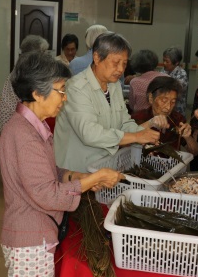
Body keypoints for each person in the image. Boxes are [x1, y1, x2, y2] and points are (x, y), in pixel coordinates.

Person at [0, 51, 125, 277]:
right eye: (61, 90)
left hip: (33, 236)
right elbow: (47, 195)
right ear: (37, 93)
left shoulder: (29, 126)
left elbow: (43, 172)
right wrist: (94, 179)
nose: (64, 98)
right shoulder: (24, 135)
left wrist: (74, 177)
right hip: (31, 242)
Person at [54, 33, 165, 173]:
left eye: (124, 64)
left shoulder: (114, 86)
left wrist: (144, 134)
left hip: (104, 166)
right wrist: (136, 136)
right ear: (97, 58)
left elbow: (124, 122)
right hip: (76, 170)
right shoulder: (76, 88)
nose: (121, 69)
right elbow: (90, 133)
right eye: (116, 63)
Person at [131, 77, 198, 156]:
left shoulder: (178, 120)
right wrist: (149, 124)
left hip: (171, 165)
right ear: (150, 98)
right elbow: (122, 143)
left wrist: (187, 137)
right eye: (164, 100)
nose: (168, 107)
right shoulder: (138, 118)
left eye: (173, 102)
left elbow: (195, 152)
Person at [0, 34, 49, 131]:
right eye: (43, 51)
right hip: (12, 118)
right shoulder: (25, 70)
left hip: (21, 114)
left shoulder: (26, 65)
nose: (46, 54)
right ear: (34, 53)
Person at [161, 46, 188, 116]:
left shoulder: (182, 74)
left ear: (176, 63)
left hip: (176, 110)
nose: (164, 63)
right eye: (163, 60)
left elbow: (177, 89)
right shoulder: (163, 70)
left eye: (167, 61)